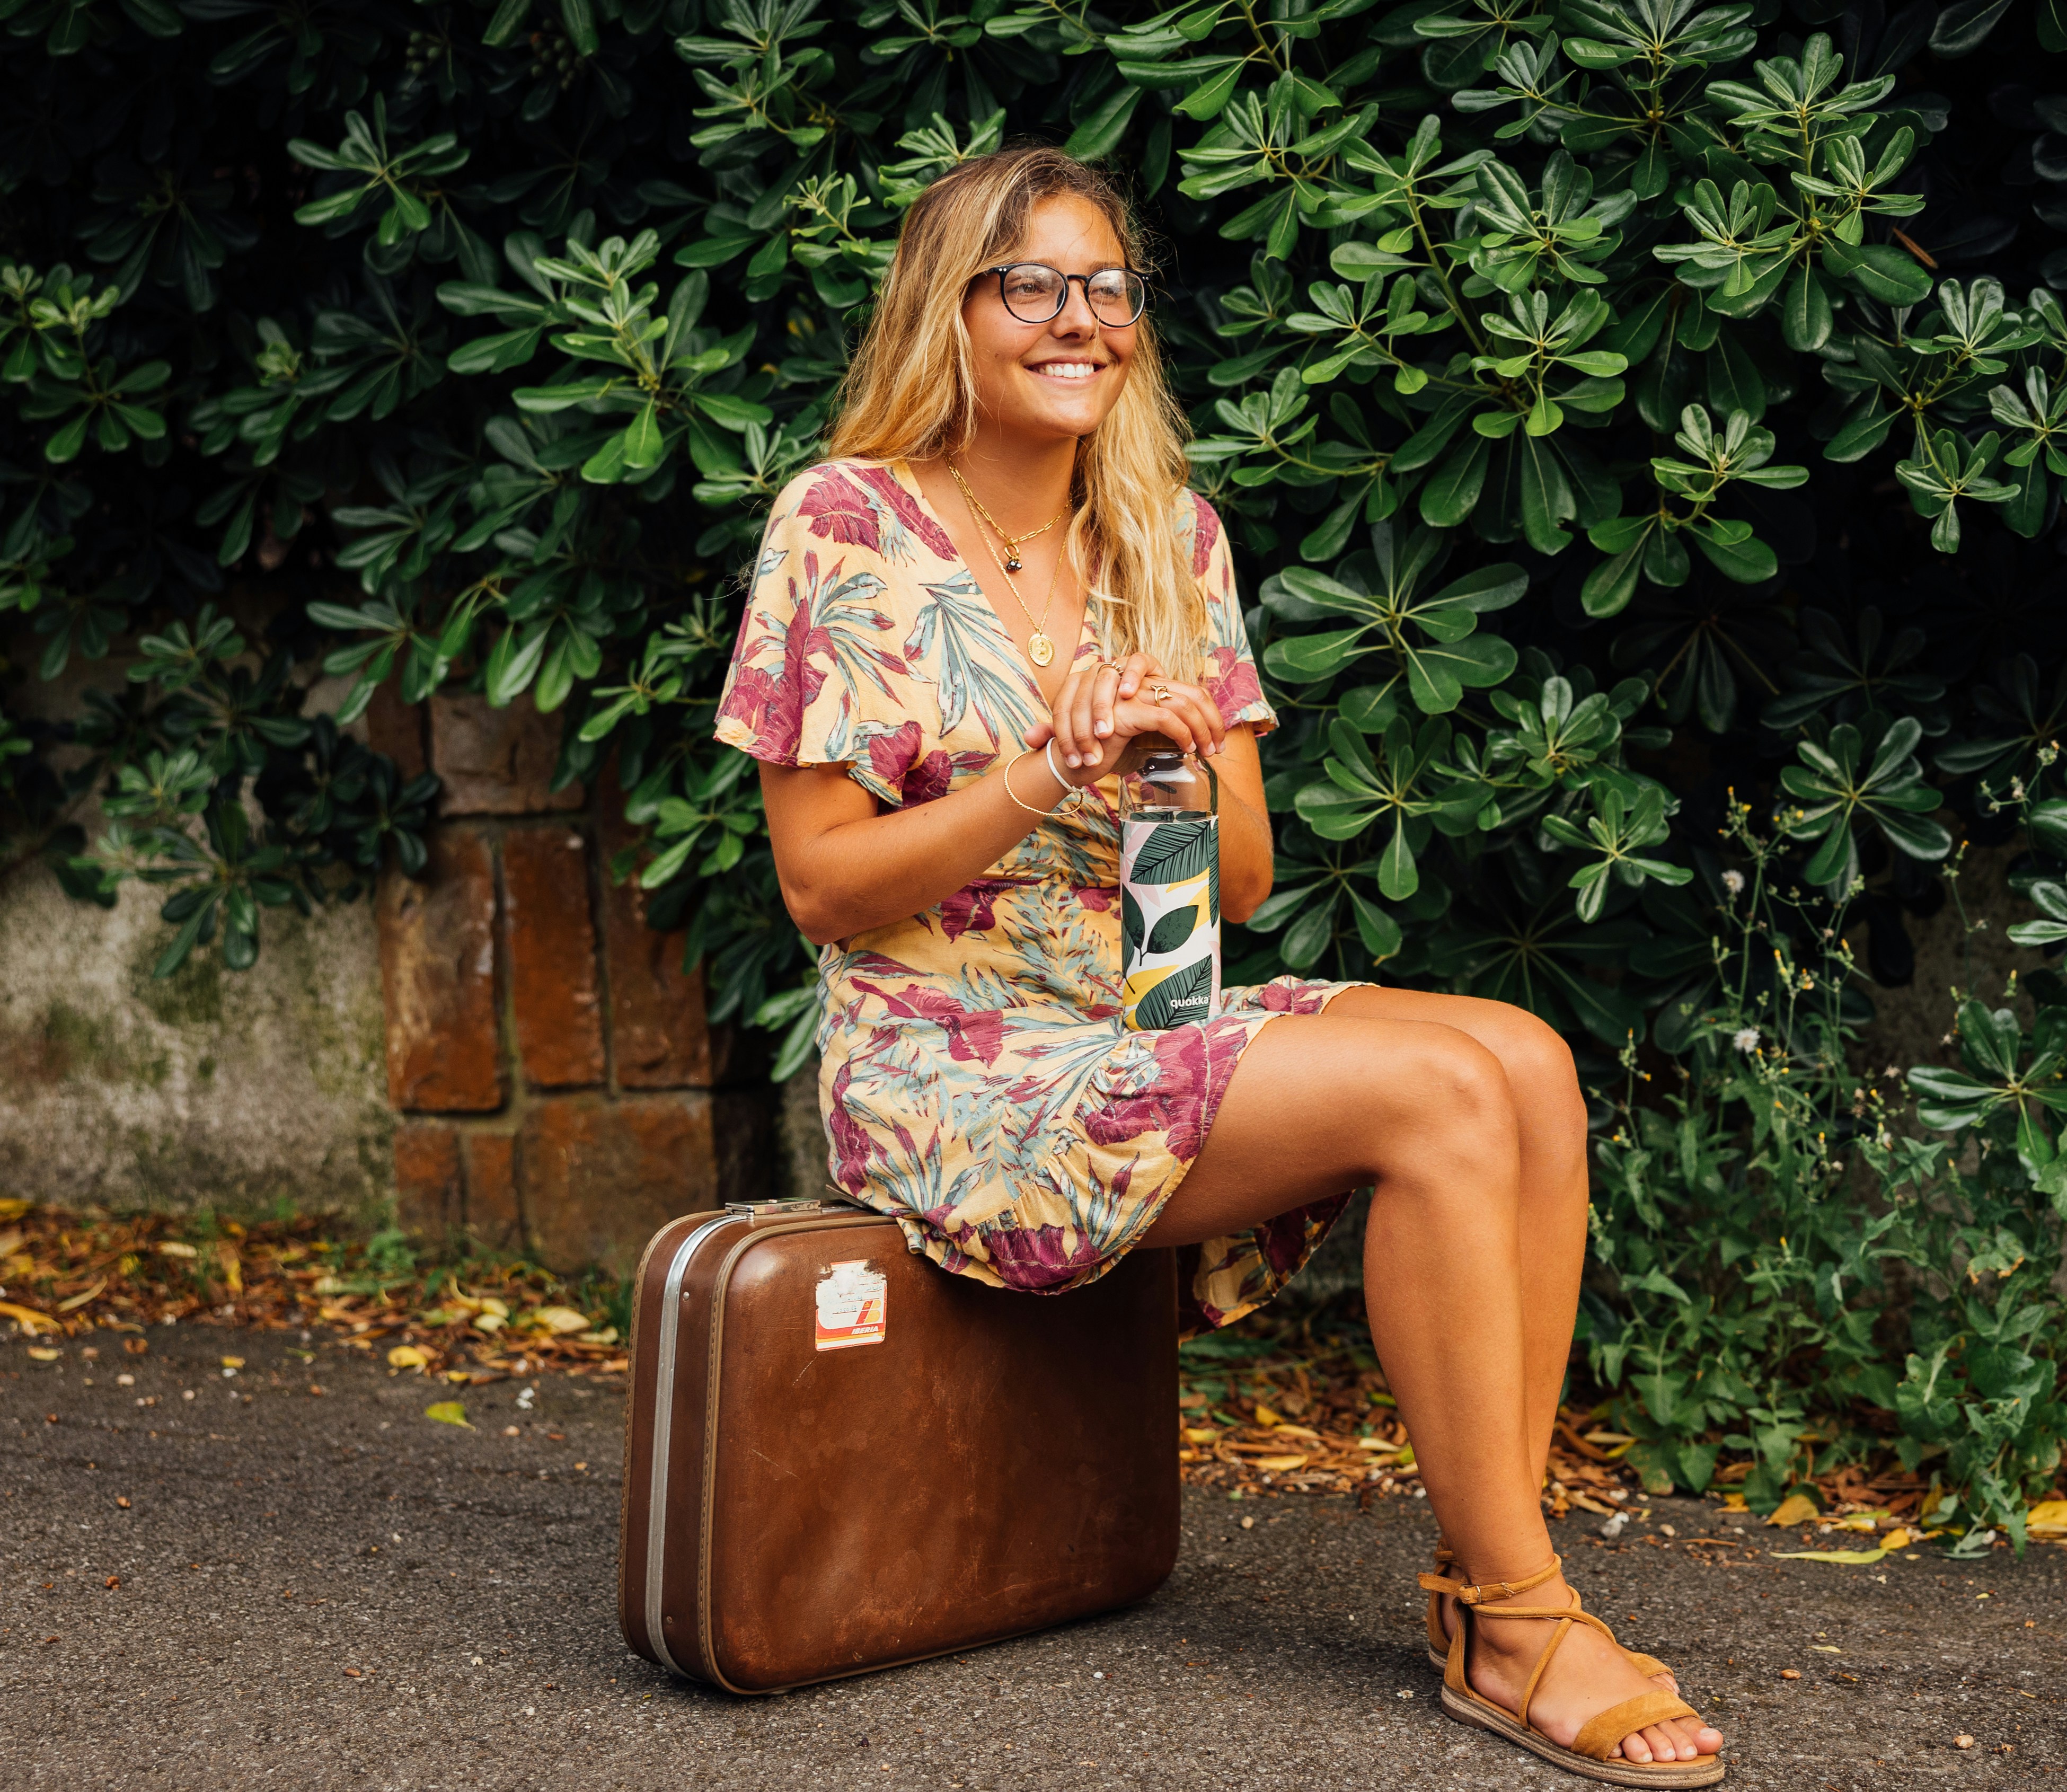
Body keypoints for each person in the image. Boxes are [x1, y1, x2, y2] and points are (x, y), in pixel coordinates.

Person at [712, 144, 1724, 1784]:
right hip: (950, 1070)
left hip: (1135, 1013)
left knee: (1528, 1064)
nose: (1081, 319)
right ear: (949, 310)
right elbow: (821, 887)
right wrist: (1042, 772)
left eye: (1108, 288)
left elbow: (1230, 888)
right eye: (1032, 285)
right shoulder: (843, 526)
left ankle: (1490, 1582)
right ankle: (1527, 1621)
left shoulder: (1170, 539)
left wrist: (1162, 774)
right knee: (1439, 1095)